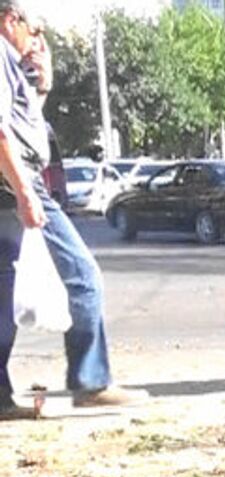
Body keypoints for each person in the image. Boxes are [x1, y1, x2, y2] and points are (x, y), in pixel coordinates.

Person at [0, 0, 145, 418]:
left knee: (1, 291)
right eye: (36, 28)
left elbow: (23, 127)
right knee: (83, 276)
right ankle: (91, 380)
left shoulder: (12, 64)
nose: (38, 39)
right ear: (12, 20)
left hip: (12, 184)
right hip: (16, 186)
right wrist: (25, 191)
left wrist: (41, 88)